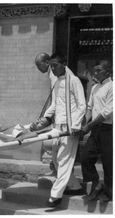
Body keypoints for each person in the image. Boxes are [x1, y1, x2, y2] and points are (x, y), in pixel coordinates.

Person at [35, 53, 86, 208]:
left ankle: (55, 196)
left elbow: (82, 105)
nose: (53, 68)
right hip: (58, 126)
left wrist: (76, 126)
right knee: (57, 159)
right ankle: (75, 187)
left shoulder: (74, 81)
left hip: (70, 128)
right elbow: (55, 104)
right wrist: (44, 119)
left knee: (64, 160)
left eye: (55, 65)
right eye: (51, 66)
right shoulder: (57, 82)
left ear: (64, 64)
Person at [80, 60, 113, 202]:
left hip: (109, 129)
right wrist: (84, 123)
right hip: (95, 129)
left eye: (99, 70)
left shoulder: (112, 87)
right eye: (95, 70)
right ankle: (96, 184)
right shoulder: (94, 88)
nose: (96, 73)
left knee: (108, 162)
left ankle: (109, 191)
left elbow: (107, 112)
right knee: (86, 157)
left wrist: (89, 126)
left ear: (108, 71)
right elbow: (89, 108)